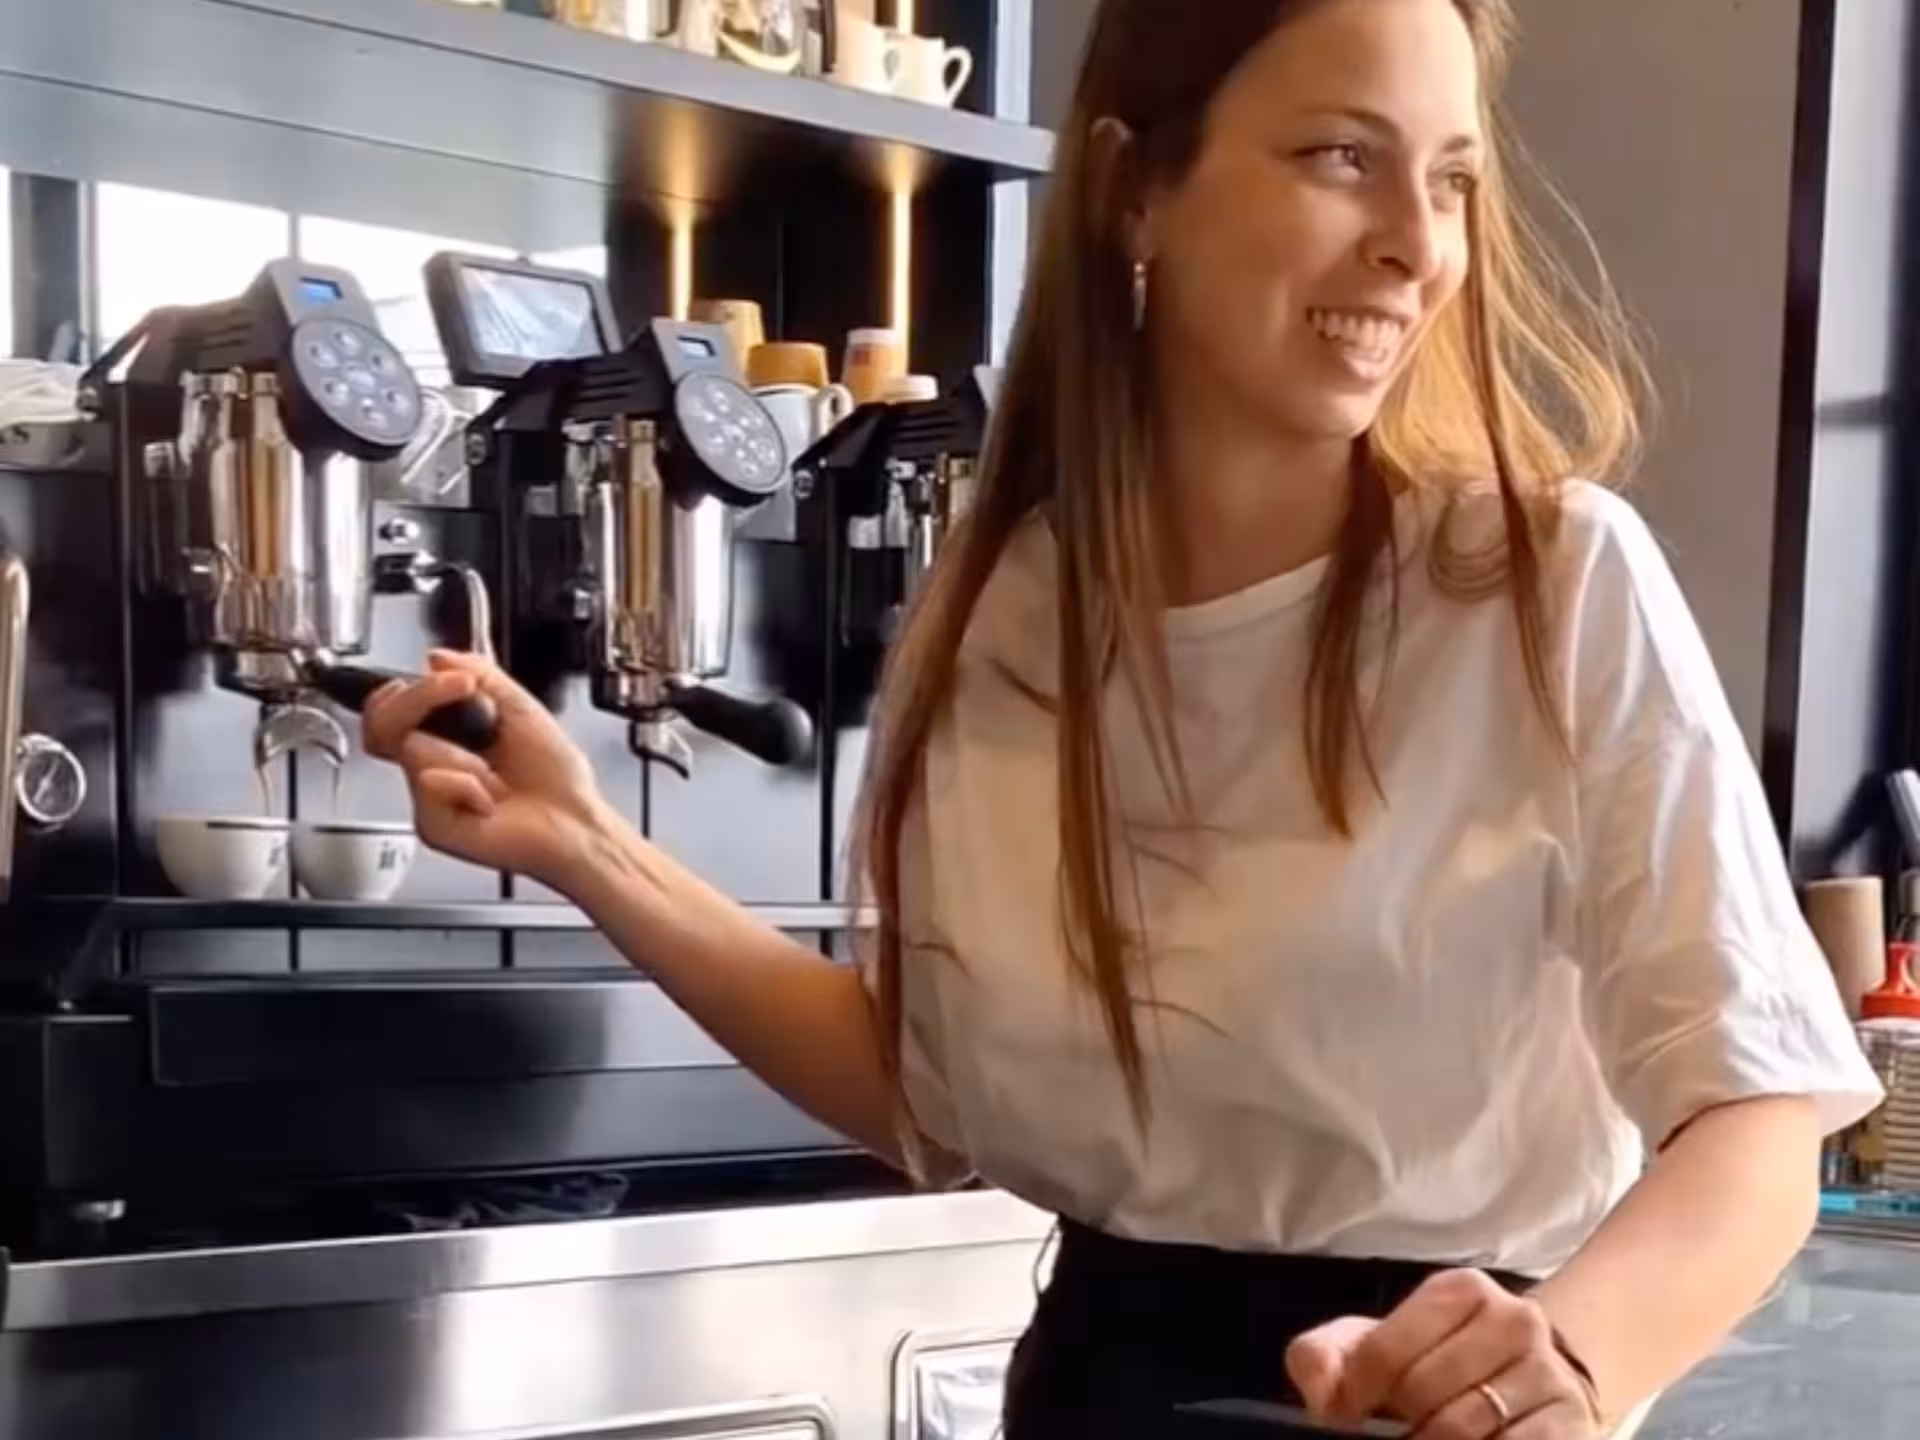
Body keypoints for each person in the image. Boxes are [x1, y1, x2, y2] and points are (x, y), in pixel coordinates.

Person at [365, 0, 1885, 1435]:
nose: (1420, 246)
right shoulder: (1003, 615)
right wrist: (582, 845)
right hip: (1093, 1389)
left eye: (1454, 179)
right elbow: (929, 1094)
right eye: (1340, 157)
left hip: (1428, 1404)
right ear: (1134, 191)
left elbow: (1759, 1116)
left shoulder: (1549, 585)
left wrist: (1565, 1354)